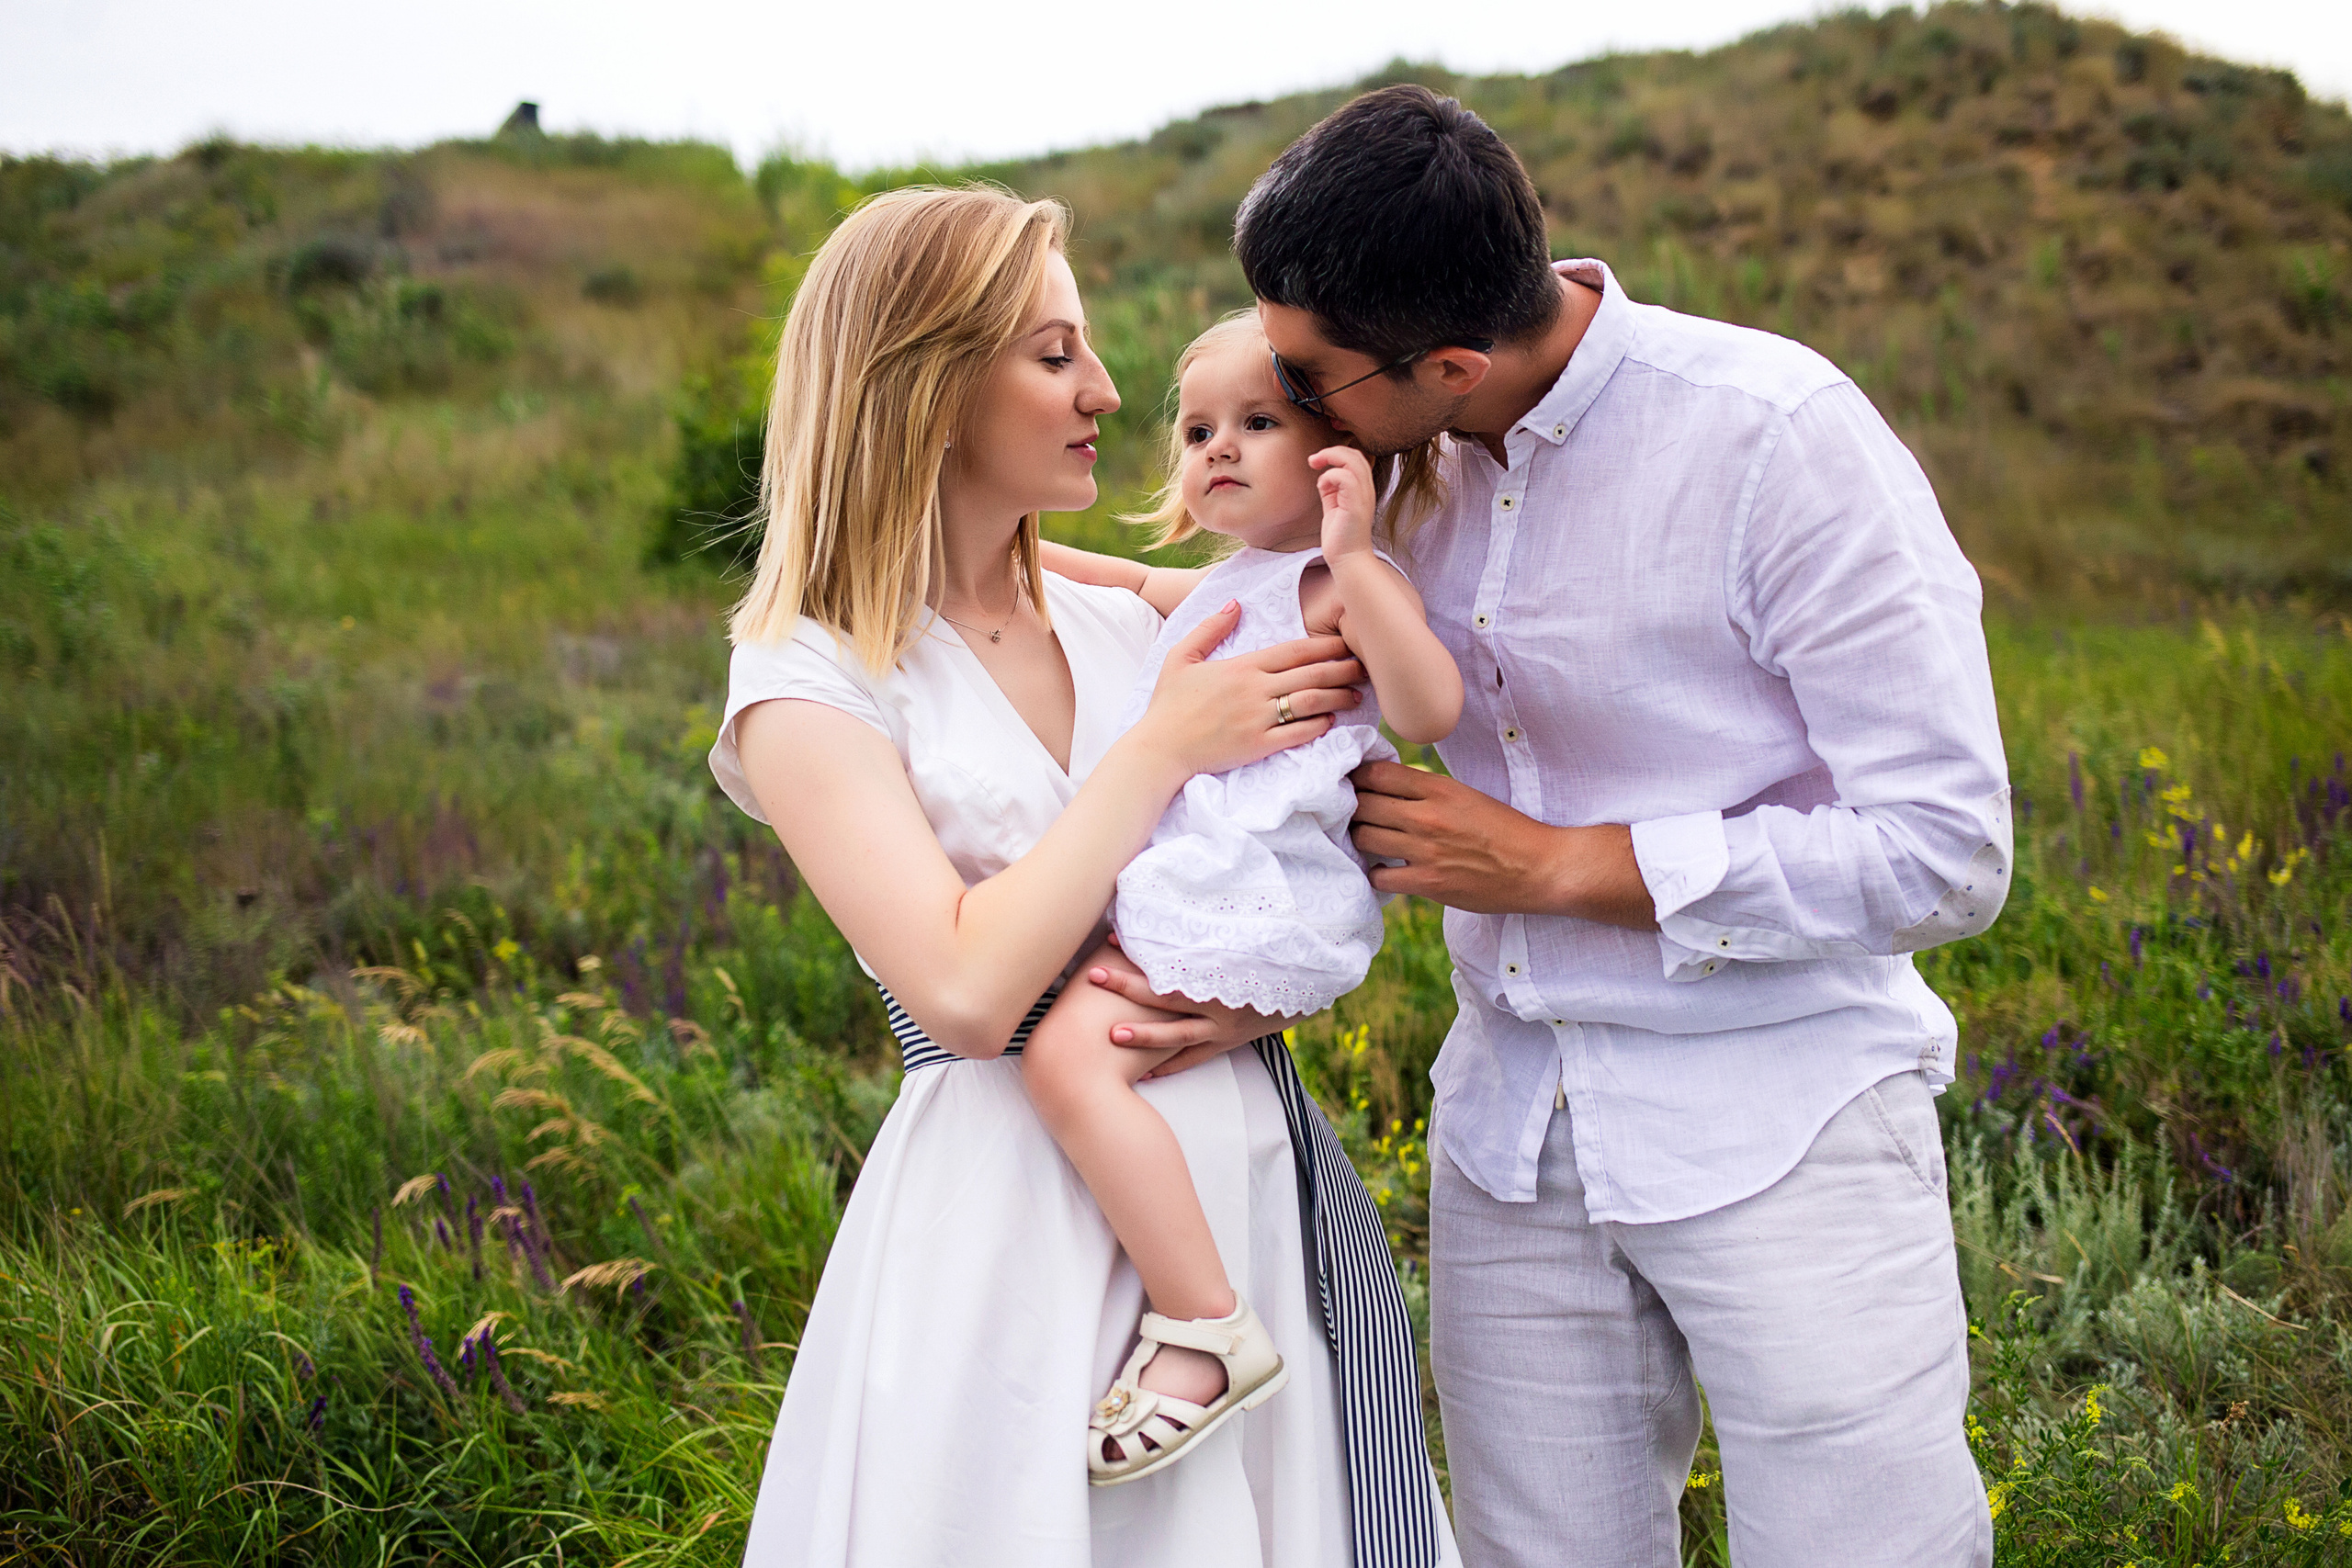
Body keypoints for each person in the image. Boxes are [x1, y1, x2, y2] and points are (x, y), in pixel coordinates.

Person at [1078, 85, 2010, 1568]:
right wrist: (1221, 974)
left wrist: (1565, 867)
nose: (1289, 401)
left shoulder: (1778, 440)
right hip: (1510, 1132)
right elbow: (1269, 731)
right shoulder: (1374, 482)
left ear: (1448, 362)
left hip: (1784, 1119)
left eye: (1313, 377)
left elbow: (1946, 845)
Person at [710, 186, 1454, 1568]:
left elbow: (1325, 765)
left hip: (1237, 1183)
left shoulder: (1128, 614)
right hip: (1012, 1212)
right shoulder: (811, 675)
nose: (1106, 391)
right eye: (1055, 355)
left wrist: (1256, 1000)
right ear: (922, 387)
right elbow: (968, 987)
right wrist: (1167, 743)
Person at [1024, 313, 1461, 1484]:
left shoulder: (1329, 585)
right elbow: (1109, 573)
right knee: (1078, 1045)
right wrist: (979, 542)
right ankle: (1195, 1306)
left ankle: (1202, 1323)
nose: (1217, 448)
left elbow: (1425, 711)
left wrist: (1361, 559)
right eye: (1198, 429)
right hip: (1212, 880)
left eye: (1257, 424)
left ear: (1335, 455)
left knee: (1069, 1059)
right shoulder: (1236, 581)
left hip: (1256, 891)